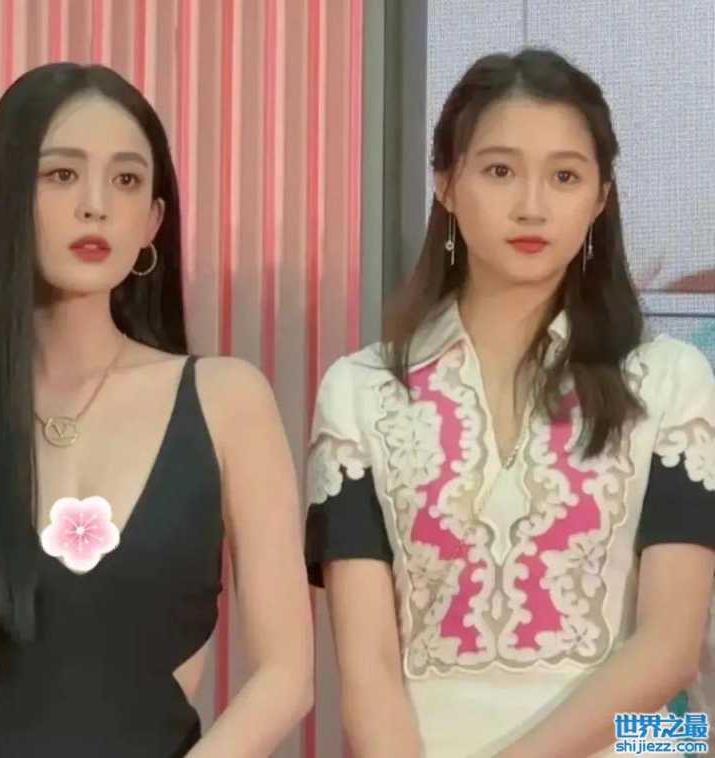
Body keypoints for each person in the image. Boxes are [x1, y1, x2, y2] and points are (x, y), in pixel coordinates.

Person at [304, 48, 715, 757]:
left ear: (600, 198)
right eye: (500, 171)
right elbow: (367, 671)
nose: (532, 205)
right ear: (445, 183)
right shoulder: (360, 392)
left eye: (564, 176)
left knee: (683, 739)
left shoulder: (670, 380)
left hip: (632, 745)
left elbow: (670, 651)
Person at [0, 63, 312, 757]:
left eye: (126, 180)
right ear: (6, 197)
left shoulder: (226, 400)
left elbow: (287, 676)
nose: (95, 205)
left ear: (153, 220)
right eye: (62, 174)